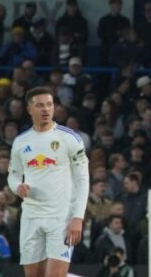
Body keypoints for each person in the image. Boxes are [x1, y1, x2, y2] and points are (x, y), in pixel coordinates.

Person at [8, 87, 90, 277]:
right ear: (29, 109)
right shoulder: (21, 142)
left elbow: (82, 178)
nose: (46, 109)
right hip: (30, 217)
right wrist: (17, 187)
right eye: (39, 105)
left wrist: (78, 217)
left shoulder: (69, 138)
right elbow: (13, 175)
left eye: (49, 104)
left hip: (60, 217)